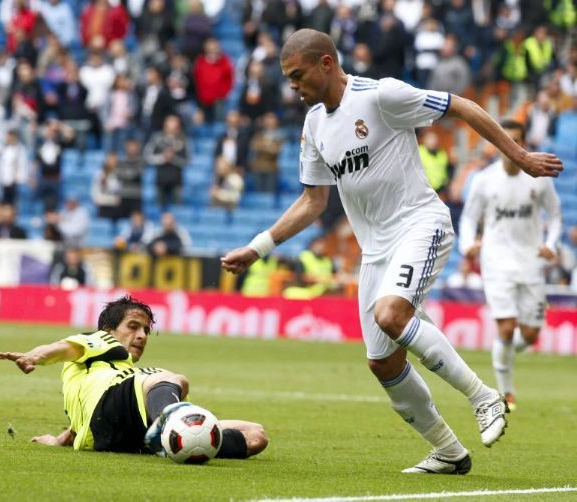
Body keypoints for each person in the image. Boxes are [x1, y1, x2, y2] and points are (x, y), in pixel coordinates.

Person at [221, 29, 563, 475]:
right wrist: (258, 247)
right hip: (376, 251)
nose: (293, 86)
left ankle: (485, 397)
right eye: (288, 79)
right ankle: (448, 451)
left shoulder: (381, 96)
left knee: (391, 315)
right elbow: (313, 201)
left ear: (326, 63)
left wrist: (518, 156)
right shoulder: (314, 126)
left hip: (421, 224)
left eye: (297, 75)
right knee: (382, 361)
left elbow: (461, 105)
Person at [0, 295, 268, 458]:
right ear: (109, 330)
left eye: (146, 330)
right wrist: (33, 356)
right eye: (133, 327)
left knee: (256, 435)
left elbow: (81, 422)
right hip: (117, 416)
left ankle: (173, 434)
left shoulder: (117, 376)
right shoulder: (99, 341)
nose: (141, 336)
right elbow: (61, 348)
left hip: (122, 432)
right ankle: (170, 424)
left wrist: (58, 439)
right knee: (173, 379)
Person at [459, 119, 562, 412]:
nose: (512, 147)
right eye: (507, 141)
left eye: (518, 141)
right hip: (496, 261)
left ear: (525, 143)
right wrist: (468, 244)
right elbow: (467, 218)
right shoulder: (483, 180)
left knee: (529, 334)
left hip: (530, 261)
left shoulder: (539, 178)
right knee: (505, 327)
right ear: (498, 144)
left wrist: (551, 244)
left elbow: (555, 216)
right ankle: (506, 393)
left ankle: (502, 352)